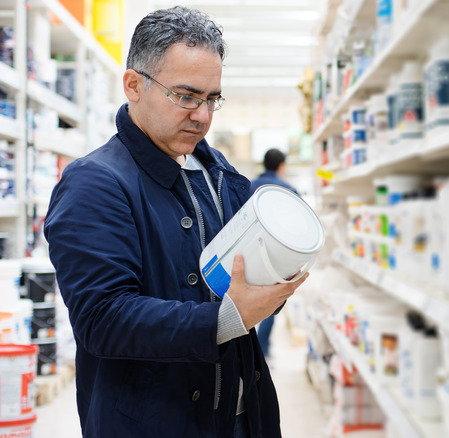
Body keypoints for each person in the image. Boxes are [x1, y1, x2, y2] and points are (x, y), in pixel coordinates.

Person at [44, 7, 306, 438]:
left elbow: (242, 282)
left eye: (212, 99)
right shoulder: (94, 183)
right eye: (186, 96)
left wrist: (275, 276)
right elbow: (102, 318)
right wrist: (228, 318)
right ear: (134, 85)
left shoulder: (219, 172)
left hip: (241, 417)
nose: (202, 115)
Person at [250, 148, 298, 358]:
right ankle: (262, 349)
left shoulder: (248, 185)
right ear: (281, 166)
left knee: (240, 301)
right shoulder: (288, 189)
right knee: (271, 301)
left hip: (248, 251)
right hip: (277, 256)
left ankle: (246, 349)